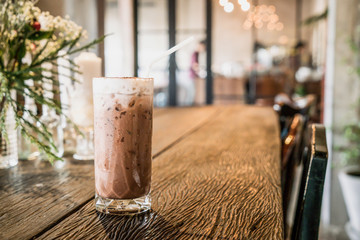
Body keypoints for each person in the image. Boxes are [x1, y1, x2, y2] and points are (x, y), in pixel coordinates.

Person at [190, 40, 206, 105]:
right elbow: (194, 66)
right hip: (192, 76)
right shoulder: (195, 54)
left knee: (194, 92)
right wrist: (201, 72)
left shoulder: (197, 54)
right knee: (192, 92)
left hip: (194, 76)